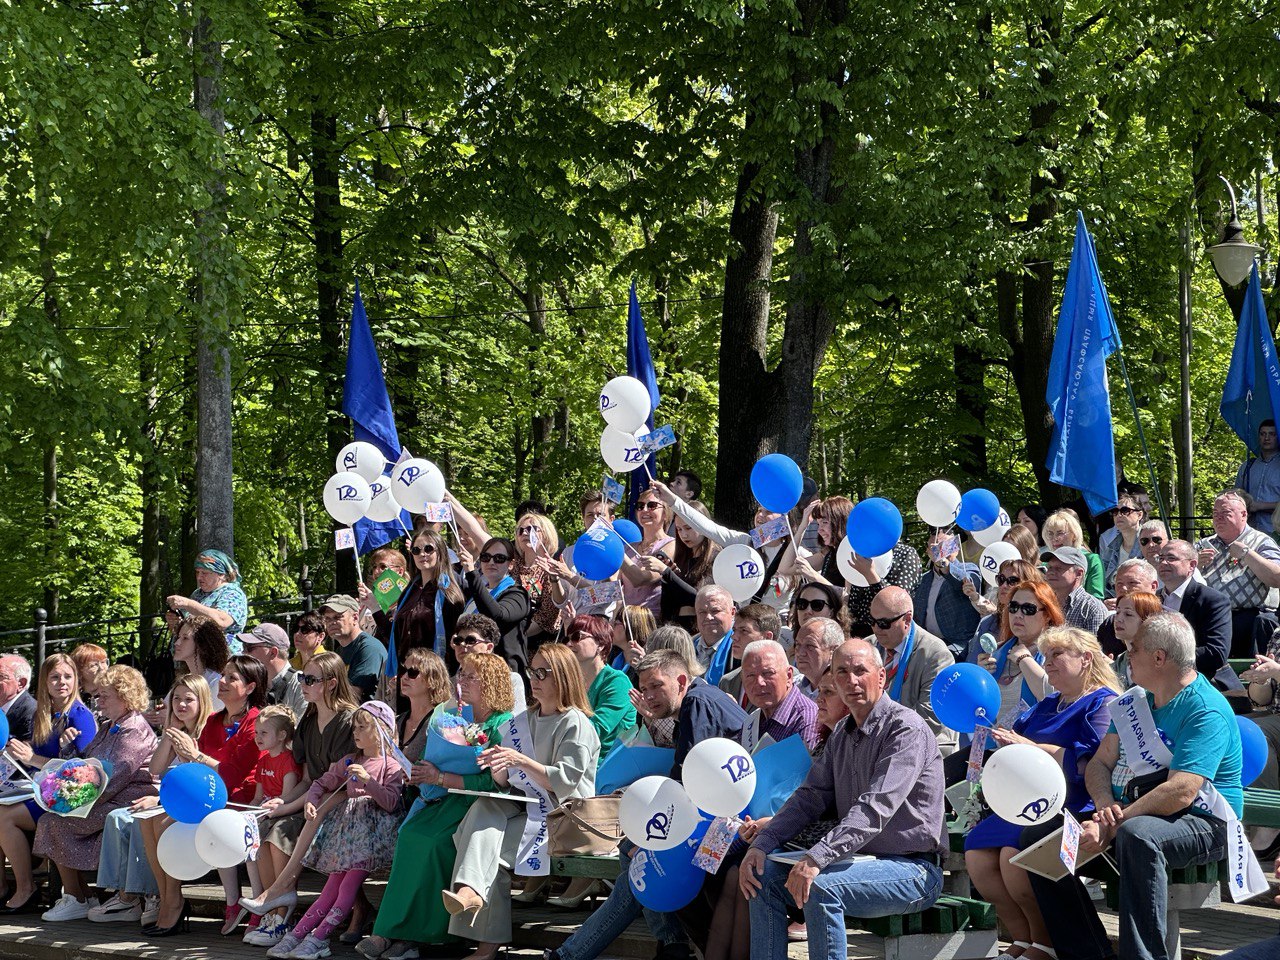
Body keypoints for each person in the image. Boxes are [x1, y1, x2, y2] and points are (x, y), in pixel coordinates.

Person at [1025, 612, 1253, 960]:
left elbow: (1182, 790)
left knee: (1137, 835)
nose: (1125, 655)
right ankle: (1089, 955)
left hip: (1204, 821)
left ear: (1159, 658)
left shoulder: (1205, 709)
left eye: (1134, 649)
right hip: (1130, 812)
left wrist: (1114, 824)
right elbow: (1100, 763)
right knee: (1040, 836)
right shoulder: (1136, 701)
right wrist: (1103, 807)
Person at [739, 639, 946, 960]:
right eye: (842, 672)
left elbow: (876, 808)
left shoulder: (906, 729)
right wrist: (763, 842)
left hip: (915, 870)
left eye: (860, 671)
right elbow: (808, 798)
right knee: (761, 876)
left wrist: (816, 857)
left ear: (881, 677)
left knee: (819, 886)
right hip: (858, 864)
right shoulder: (842, 734)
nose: (850, 680)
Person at [542, 647, 746, 960]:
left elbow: (688, 782)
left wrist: (652, 834)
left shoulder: (697, 702)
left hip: (733, 828)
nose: (648, 696)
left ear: (681, 680)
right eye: (644, 688)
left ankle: (661, 945)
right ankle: (670, 944)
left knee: (641, 863)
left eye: (656, 686)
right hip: (715, 818)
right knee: (634, 855)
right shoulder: (698, 701)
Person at [964, 628, 1121, 960]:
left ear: (1086, 659)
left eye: (1057, 656)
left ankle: (1045, 943)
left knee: (1012, 855)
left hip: (1071, 804)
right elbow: (1016, 737)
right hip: (1024, 801)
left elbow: (1088, 763)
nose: (1047, 664)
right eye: (1046, 656)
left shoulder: (1103, 701)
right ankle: (1022, 939)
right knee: (976, 853)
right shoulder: (1048, 702)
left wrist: (1029, 748)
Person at [444, 644, 601, 960]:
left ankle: (482, 930)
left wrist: (520, 759)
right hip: (527, 809)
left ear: (564, 676)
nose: (535, 678)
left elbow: (565, 781)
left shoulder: (575, 722)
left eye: (544, 672)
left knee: (489, 852)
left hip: (564, 819)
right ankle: (471, 894)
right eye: (533, 671)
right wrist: (500, 767)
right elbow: (509, 784)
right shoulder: (524, 719)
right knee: (483, 807)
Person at [365, 652, 516, 960]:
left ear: (490, 683)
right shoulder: (457, 718)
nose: (461, 680)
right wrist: (421, 772)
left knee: (434, 843)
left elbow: (496, 784)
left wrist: (443, 776)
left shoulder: (505, 724)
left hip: (478, 805)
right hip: (444, 798)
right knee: (410, 837)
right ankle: (391, 930)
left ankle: (423, 937)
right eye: (460, 673)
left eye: (470, 675)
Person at [267, 701, 405, 960]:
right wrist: (311, 800)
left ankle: (319, 938)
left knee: (346, 888)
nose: (355, 732)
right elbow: (322, 782)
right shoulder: (351, 760)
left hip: (372, 840)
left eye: (362, 727)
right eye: (355, 727)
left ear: (381, 729)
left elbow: (390, 802)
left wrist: (368, 781)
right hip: (348, 838)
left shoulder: (391, 766)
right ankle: (298, 935)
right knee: (330, 889)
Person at [144, 655, 266, 935]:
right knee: (148, 820)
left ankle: (251, 904)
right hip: (213, 798)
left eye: (231, 678)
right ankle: (181, 900)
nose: (221, 681)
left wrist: (195, 755)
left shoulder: (255, 721)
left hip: (243, 800)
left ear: (249, 687)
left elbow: (233, 774)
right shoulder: (214, 721)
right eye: (222, 675)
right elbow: (179, 771)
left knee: (165, 823)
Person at [243, 652, 358, 945]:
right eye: (301, 678)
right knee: (265, 825)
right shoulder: (308, 718)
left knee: (279, 829)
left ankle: (281, 911)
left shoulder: (348, 720)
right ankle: (272, 912)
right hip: (312, 797)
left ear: (331, 683)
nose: (303, 684)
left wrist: (286, 806)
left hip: (343, 800)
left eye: (310, 679)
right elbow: (307, 779)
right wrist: (283, 803)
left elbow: (340, 782)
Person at [34, 665, 157, 923]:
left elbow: (114, 776)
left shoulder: (133, 728)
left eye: (104, 696)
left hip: (126, 799)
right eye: (97, 695)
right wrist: (67, 750)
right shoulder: (109, 725)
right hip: (107, 796)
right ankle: (80, 896)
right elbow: (86, 762)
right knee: (50, 819)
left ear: (124, 697)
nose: (97, 701)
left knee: (53, 822)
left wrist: (75, 803)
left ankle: (78, 898)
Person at [93, 675, 212, 926]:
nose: (181, 705)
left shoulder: (207, 731)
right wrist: (170, 734)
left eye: (188, 700)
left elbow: (203, 781)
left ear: (202, 702)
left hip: (198, 803)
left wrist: (160, 800)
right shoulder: (177, 732)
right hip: (170, 799)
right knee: (131, 817)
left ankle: (159, 896)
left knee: (150, 821)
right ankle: (135, 895)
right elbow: (156, 769)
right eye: (176, 699)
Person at [0, 654, 98, 912]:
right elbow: (44, 755)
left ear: (76, 680)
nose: (61, 683)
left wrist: (32, 757)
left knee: (3, 818)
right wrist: (21, 751)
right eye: (54, 677)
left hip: (72, 799)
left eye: (67, 677)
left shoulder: (79, 716)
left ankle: (26, 889)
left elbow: (81, 772)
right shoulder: (48, 715)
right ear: (44, 682)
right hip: (46, 791)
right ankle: (81, 895)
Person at [650, 479, 794, 613]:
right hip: (744, 626)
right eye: (758, 510)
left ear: (784, 517)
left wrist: (804, 526)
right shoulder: (744, 542)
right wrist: (672, 500)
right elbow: (707, 527)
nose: (760, 516)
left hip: (777, 632)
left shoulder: (796, 553)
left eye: (767, 511)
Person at [868, 586, 955, 750]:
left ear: (907, 619)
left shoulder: (935, 655)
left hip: (919, 747)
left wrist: (880, 735)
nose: (876, 629)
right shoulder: (868, 647)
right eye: (872, 621)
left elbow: (930, 717)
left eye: (883, 623)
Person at [1197, 490, 1280, 656]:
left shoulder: (1261, 542)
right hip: (1210, 617)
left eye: (1225, 513)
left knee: (1255, 622)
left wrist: (1247, 554)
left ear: (1244, 515)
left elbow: (1276, 578)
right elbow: (1180, 582)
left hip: (1251, 618)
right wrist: (1194, 565)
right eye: (1215, 513)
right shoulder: (1204, 544)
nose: (1218, 517)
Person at [980, 581, 1062, 726]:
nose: (1018, 615)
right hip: (991, 744)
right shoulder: (998, 652)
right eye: (1013, 607)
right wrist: (980, 676)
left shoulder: (1058, 653)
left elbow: (1055, 698)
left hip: (1030, 745)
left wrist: (1025, 660)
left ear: (1048, 615)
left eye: (1028, 609)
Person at [1156, 540, 1234, 685]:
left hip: (1204, 681)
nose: (1164, 562)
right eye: (1160, 558)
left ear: (1192, 565)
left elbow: (1217, 652)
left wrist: (1167, 658)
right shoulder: (1153, 600)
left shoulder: (1213, 600)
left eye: (1171, 558)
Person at [386, 528, 464, 667]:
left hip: (434, 671)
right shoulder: (408, 592)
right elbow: (399, 633)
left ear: (440, 552)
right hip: (405, 671)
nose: (422, 554)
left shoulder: (450, 593)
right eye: (416, 550)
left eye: (428, 549)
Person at [457, 536, 534, 676]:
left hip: (503, 674)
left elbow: (495, 617)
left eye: (499, 558)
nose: (491, 562)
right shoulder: (479, 592)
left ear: (510, 564)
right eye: (486, 557)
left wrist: (471, 573)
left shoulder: (517, 594)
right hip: (473, 672)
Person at [562, 615, 636, 757]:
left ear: (600, 644)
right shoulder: (571, 681)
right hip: (574, 758)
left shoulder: (617, 682)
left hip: (604, 767)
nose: (569, 644)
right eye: (567, 639)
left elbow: (594, 731)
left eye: (577, 637)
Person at [913, 531, 983, 659]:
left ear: (956, 549)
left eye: (945, 546)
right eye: (934, 547)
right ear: (928, 551)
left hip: (958, 646)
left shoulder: (969, 569)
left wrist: (943, 564)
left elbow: (966, 582)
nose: (940, 551)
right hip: (927, 644)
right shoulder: (923, 579)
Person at [739, 640, 819, 751]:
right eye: (750, 675)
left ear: (789, 675)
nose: (759, 682)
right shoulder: (752, 721)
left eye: (768, 673)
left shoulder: (806, 720)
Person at [965, 559, 1043, 662]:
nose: (1004, 586)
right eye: (1001, 579)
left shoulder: (1038, 628)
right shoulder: (988, 622)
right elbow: (972, 666)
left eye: (1013, 581)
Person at [659, 501, 721, 632]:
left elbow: (700, 597)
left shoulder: (716, 557)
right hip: (676, 628)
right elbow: (669, 602)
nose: (684, 535)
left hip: (702, 630)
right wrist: (669, 577)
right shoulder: (683, 557)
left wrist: (666, 573)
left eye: (688, 528)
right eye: (679, 529)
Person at [166, 548, 250, 642]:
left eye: (204, 573)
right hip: (195, 654)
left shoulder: (233, 593)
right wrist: (175, 623)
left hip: (222, 653)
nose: (199, 577)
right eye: (197, 572)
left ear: (221, 574)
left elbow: (222, 621)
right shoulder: (198, 594)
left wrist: (188, 604)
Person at [451, 614, 527, 714]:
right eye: (458, 640)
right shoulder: (449, 683)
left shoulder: (510, 679)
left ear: (489, 647)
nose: (463, 645)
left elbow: (517, 721)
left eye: (470, 640)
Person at [618, 487, 676, 616]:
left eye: (652, 505)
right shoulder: (628, 548)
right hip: (625, 619)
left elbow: (641, 579)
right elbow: (613, 588)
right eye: (640, 506)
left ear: (666, 513)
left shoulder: (671, 545)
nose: (644, 510)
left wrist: (615, 549)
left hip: (651, 621)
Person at [845, 541, 923, 637]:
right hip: (857, 630)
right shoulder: (863, 551)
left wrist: (870, 573)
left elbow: (898, 603)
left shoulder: (905, 553)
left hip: (885, 630)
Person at [318, 595, 386, 702]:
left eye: (338, 617)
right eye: (327, 618)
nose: (331, 622)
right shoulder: (339, 651)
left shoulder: (369, 648)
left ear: (355, 618)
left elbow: (353, 696)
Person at [239, 623, 307, 720]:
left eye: (250, 647)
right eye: (244, 646)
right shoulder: (251, 684)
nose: (243, 652)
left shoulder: (301, 684)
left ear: (273, 652)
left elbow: (301, 731)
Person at [783, 496, 852, 588]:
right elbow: (785, 568)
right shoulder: (828, 553)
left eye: (825, 523)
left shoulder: (853, 556)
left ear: (840, 522)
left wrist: (813, 575)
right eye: (818, 524)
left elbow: (847, 598)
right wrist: (802, 527)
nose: (819, 530)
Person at [1097, 558, 1160, 656]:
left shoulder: (1167, 628)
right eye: (1119, 584)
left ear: (1153, 586)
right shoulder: (1109, 625)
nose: (1124, 589)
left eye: (1132, 583)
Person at [1043, 546, 1108, 634]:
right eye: (1049, 567)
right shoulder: (1043, 603)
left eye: (1058, 568)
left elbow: (1095, 646)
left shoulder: (1092, 608)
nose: (1050, 572)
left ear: (1079, 573)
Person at [1042, 511, 1105, 599]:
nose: (1054, 538)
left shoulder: (1091, 560)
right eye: (1050, 534)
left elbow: (1096, 598)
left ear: (1074, 535)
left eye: (1060, 533)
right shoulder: (1045, 565)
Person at [173, 614, 230, 711]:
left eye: (185, 638)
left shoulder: (215, 683)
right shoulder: (184, 679)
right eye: (178, 637)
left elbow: (212, 719)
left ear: (201, 644)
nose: (177, 643)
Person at [357, 545, 410, 645]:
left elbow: (394, 638)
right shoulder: (369, 602)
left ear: (400, 571)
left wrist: (375, 608)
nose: (376, 572)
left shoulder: (409, 599)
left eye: (383, 567)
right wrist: (359, 611)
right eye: (374, 567)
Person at [1236, 419, 1280, 533]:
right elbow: (1236, 496)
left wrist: (1260, 506)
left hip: (1276, 533)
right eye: (1263, 434)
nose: (1267, 438)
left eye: (1272, 434)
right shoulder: (1248, 466)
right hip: (1249, 533)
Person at [1111, 591, 1163, 687]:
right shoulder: (1120, 661)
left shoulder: (1159, 661)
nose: (1118, 619)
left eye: (1128, 614)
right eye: (1117, 612)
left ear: (1147, 620)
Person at [1100, 495, 1145, 597]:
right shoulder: (1110, 548)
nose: (1119, 515)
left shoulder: (1149, 544)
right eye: (1115, 511)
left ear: (1139, 515)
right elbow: (1104, 583)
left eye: (1125, 511)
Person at [791, 615, 844, 700]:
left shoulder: (843, 693)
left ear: (833, 651)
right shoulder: (791, 687)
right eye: (798, 645)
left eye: (810, 646)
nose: (800, 653)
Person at [691, 585, 735, 679]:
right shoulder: (687, 646)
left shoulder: (740, 650)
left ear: (732, 612)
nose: (708, 617)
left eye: (715, 611)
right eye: (702, 612)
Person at [0, 654, 36, 742]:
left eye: (1, 676)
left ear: (21, 683)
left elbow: (23, 753)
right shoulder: (4, 701)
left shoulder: (32, 713)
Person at [610, 605, 655, 672]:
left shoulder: (651, 660)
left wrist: (642, 667)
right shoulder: (612, 654)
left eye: (616, 623)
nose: (610, 626)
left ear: (633, 627)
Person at [70, 643, 109, 711]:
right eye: (93, 665)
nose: (102, 668)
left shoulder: (113, 693)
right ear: (79, 670)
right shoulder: (73, 697)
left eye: (103, 662)